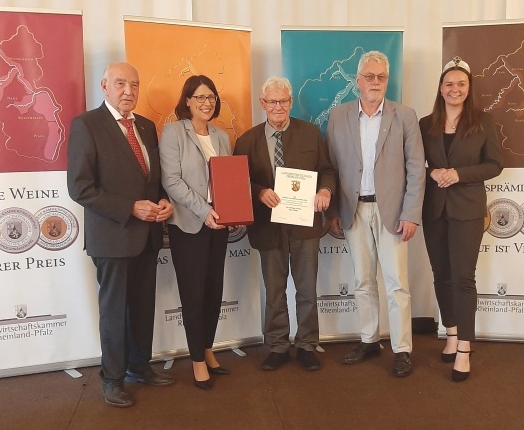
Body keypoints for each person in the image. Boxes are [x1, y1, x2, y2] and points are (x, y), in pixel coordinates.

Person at [67, 62, 175, 408]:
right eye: (120, 83)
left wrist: (164, 200)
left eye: (134, 84)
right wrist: (130, 208)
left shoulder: (145, 126)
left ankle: (139, 367)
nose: (128, 91)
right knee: (114, 312)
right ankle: (112, 379)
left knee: (142, 307)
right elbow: (80, 187)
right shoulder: (87, 125)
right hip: (112, 237)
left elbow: (152, 178)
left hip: (147, 236)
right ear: (104, 86)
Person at [325, 51, 425, 377]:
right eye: (369, 76)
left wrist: (411, 213)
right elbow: (332, 165)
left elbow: (416, 168)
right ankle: (369, 340)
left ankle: (402, 348)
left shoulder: (405, 116)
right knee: (363, 281)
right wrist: (335, 210)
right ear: (357, 81)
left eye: (381, 77)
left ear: (387, 80)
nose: (376, 82)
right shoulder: (338, 116)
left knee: (397, 284)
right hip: (353, 210)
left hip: (393, 212)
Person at [234, 76, 336, 372]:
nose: (278, 106)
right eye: (272, 101)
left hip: (305, 226)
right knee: (275, 291)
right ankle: (277, 346)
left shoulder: (310, 133)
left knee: (306, 289)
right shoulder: (246, 140)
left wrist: (325, 191)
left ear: (291, 102)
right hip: (268, 227)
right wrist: (259, 192)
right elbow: (239, 182)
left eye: (283, 101)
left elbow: (327, 170)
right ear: (262, 103)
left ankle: (306, 345)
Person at [419, 56, 503, 382]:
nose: (455, 89)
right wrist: (432, 172)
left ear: (469, 88)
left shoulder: (484, 121)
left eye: (461, 84)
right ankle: (451, 333)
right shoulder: (426, 123)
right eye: (449, 84)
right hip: (434, 209)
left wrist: (458, 174)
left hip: (467, 209)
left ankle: (465, 349)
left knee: (463, 278)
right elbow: (414, 163)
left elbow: (495, 165)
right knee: (441, 275)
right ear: (441, 88)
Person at [159, 75, 232, 390]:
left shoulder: (221, 136)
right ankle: (197, 361)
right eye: (200, 97)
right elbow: (171, 180)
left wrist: (234, 210)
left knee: (214, 290)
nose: (207, 103)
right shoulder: (173, 132)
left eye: (211, 97)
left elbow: (228, 179)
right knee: (193, 294)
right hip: (190, 225)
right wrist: (205, 211)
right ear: (187, 101)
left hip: (220, 224)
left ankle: (208, 349)